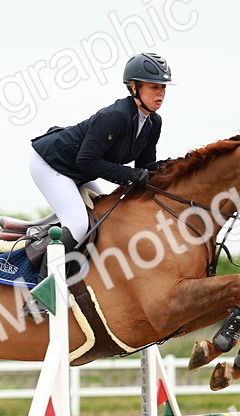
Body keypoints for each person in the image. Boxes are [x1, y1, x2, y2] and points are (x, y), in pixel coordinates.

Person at [25, 51, 172, 274]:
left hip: (79, 172)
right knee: (78, 224)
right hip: (51, 164)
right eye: (153, 87)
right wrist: (129, 175)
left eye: (162, 88)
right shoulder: (117, 115)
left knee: (105, 219)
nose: (160, 93)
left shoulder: (154, 122)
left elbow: (144, 167)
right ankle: (43, 286)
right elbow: (86, 160)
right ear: (133, 87)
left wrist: (170, 170)